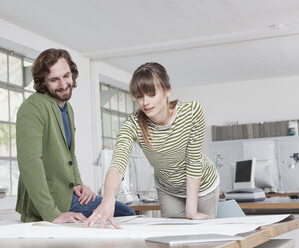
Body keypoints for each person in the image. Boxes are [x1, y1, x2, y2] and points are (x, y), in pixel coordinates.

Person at [84, 62, 220, 229]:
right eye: (139, 96)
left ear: (167, 90)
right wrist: (108, 199)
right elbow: (118, 163)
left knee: (205, 234)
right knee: (171, 235)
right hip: (168, 189)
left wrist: (191, 211)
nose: (145, 102)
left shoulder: (192, 111)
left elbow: (193, 161)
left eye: (151, 94)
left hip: (202, 185)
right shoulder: (133, 124)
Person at [15, 48, 135, 224]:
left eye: (66, 76)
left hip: (68, 192)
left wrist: (78, 183)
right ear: (43, 81)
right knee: (126, 214)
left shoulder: (66, 108)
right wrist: (52, 214)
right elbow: (30, 163)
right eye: (54, 80)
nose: (63, 84)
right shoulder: (32, 107)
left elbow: (69, 155)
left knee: (125, 213)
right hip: (51, 201)